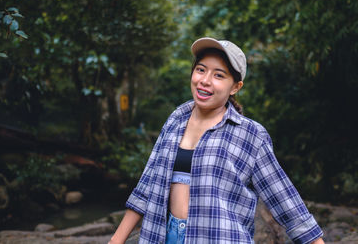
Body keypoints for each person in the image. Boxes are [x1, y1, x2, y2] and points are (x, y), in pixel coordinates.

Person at [109, 37, 325, 244]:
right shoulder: (176, 119)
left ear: (235, 87)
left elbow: (285, 201)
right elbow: (147, 185)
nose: (205, 80)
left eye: (219, 75)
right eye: (201, 70)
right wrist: (116, 240)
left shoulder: (251, 135)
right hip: (163, 236)